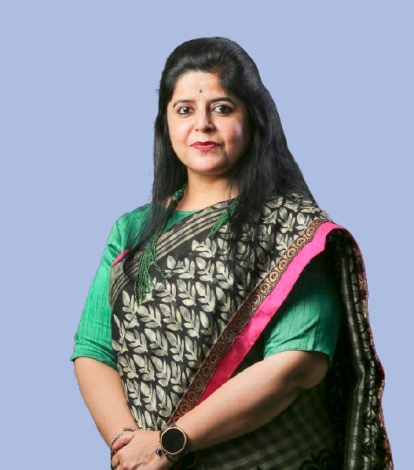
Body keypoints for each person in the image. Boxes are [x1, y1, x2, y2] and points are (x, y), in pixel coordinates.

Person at [71, 37, 393, 470]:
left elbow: (298, 364)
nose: (202, 124)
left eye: (222, 108)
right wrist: (131, 447)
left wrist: (169, 444)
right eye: (185, 110)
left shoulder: (292, 230)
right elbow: (93, 349)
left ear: (253, 119)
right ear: (166, 123)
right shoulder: (132, 229)